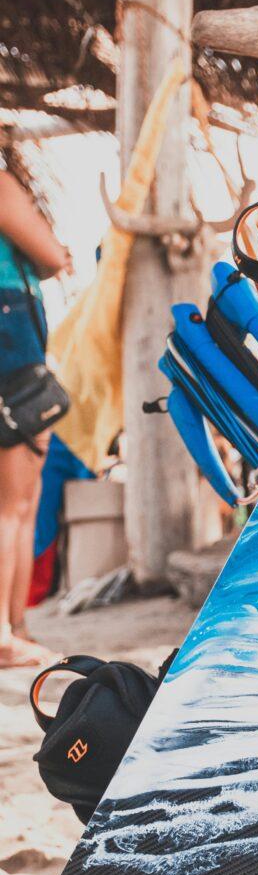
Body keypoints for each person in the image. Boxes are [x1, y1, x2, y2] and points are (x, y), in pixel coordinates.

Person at [0, 168, 72, 667]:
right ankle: (7, 632)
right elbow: (51, 256)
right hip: (10, 334)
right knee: (16, 500)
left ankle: (14, 627)